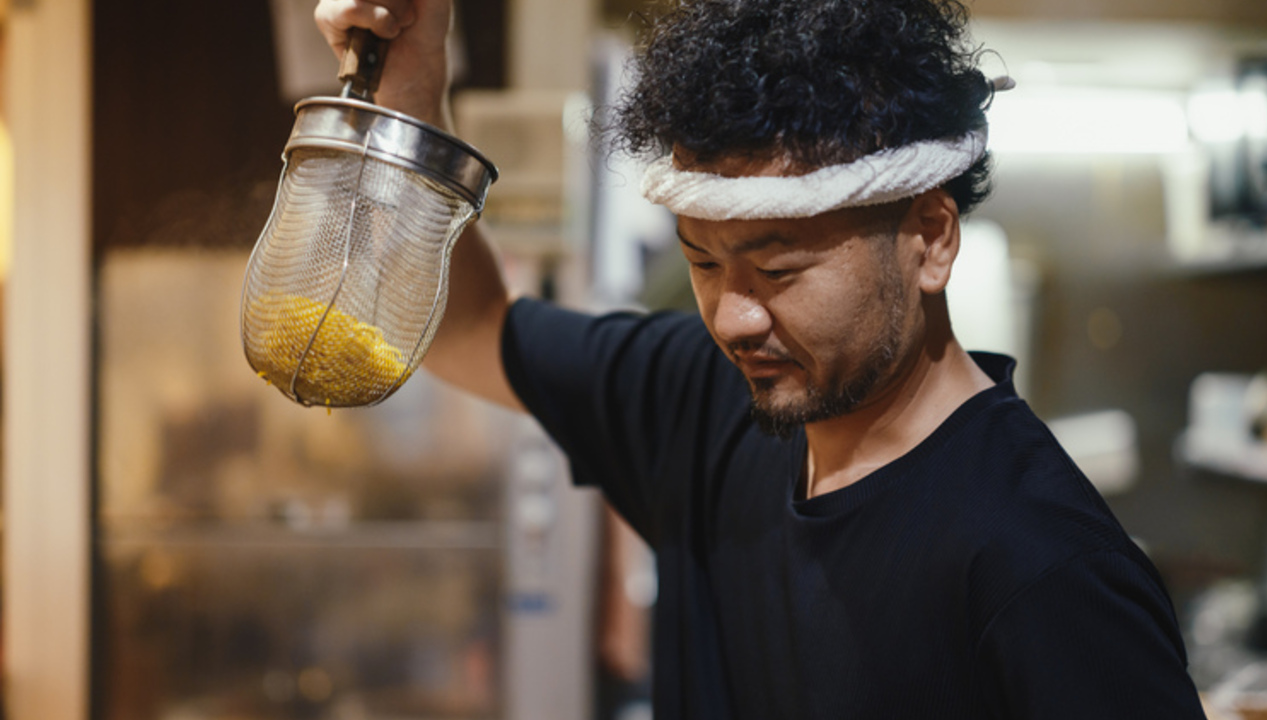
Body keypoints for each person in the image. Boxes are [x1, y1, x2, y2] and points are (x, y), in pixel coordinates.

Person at [317, 0, 1209, 717]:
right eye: (703, 262)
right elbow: (464, 327)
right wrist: (412, 91)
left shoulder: (1042, 566)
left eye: (780, 268)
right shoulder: (703, 399)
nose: (734, 317)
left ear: (931, 239)